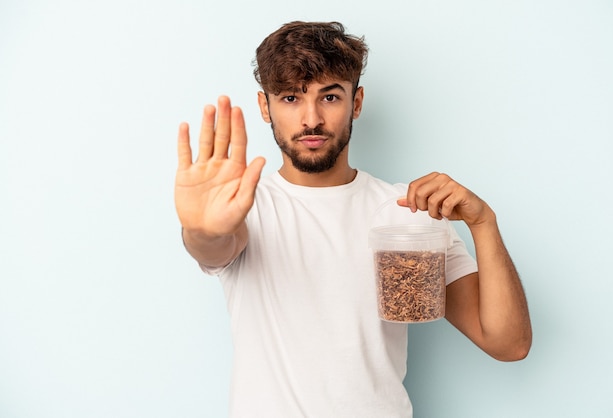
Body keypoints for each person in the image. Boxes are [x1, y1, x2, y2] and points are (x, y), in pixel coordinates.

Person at [175, 21, 532, 418]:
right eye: (291, 98)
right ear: (265, 107)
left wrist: (485, 224)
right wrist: (202, 229)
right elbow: (214, 245)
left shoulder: (407, 211)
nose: (311, 119)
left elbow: (508, 344)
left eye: (329, 97)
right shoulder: (245, 208)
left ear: (356, 103)